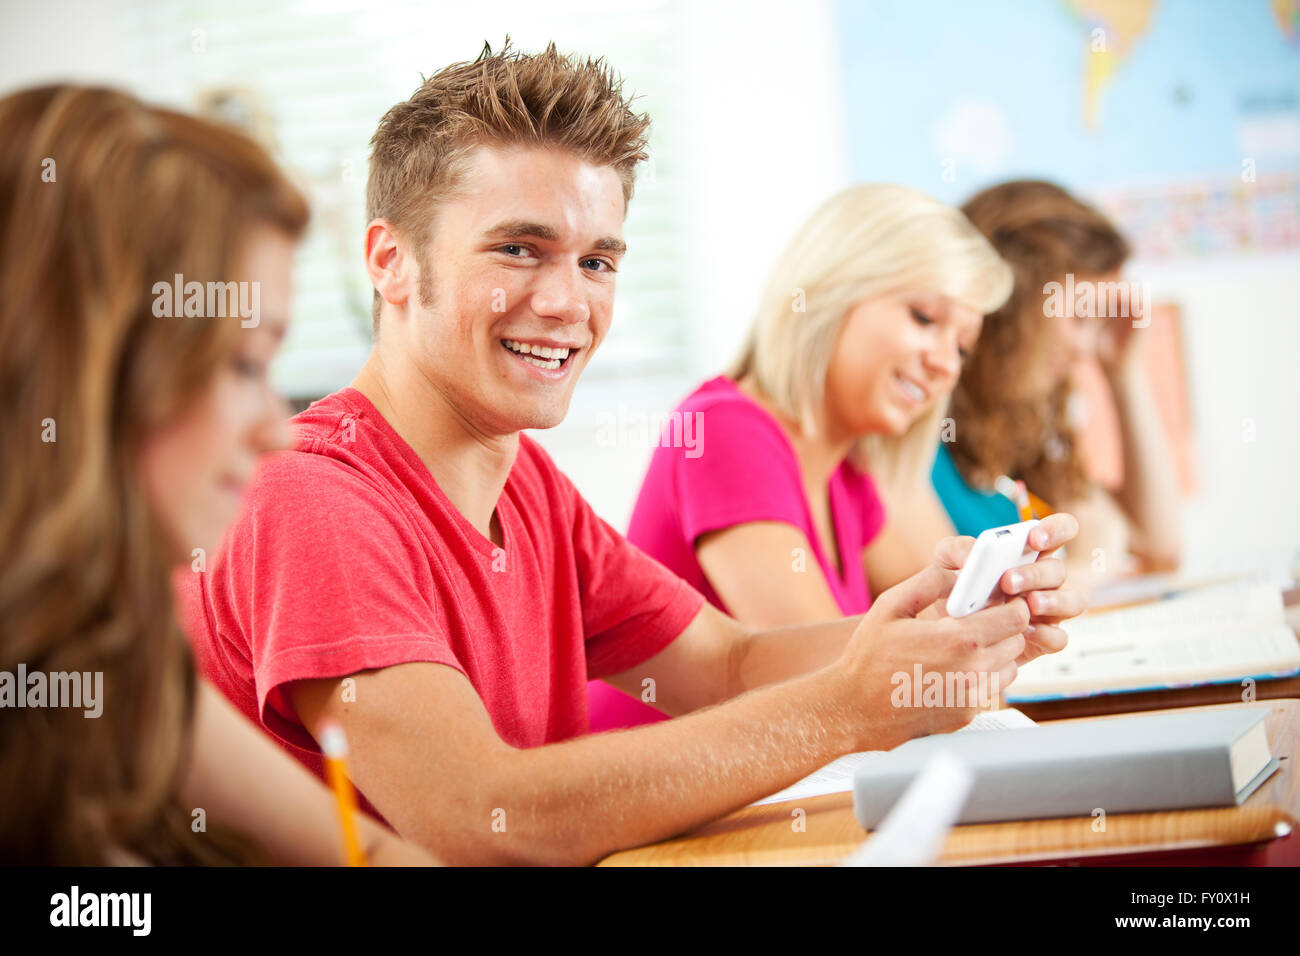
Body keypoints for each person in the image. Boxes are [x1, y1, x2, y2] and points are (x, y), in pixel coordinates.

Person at [180, 42, 1084, 866]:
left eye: (598, 262)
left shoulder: (525, 482)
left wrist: (944, 632)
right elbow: (479, 818)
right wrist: (850, 704)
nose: (569, 302)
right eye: (518, 249)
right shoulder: (313, 498)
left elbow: (726, 666)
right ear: (391, 262)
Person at [0, 84, 433, 865]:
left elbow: (358, 851)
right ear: (88, 367)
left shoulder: (105, 648)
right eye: (241, 364)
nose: (276, 428)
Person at [593, 184, 1014, 730]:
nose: (945, 365)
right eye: (924, 318)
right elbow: (836, 684)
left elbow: (944, 623)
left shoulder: (847, 476)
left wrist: (1008, 612)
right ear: (833, 291)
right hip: (660, 801)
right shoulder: (726, 430)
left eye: (961, 347)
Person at [918, 180, 1182, 593]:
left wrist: (1124, 374)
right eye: (1079, 318)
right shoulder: (920, 445)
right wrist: (1090, 568)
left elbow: (1160, 548)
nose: (1086, 347)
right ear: (1011, 310)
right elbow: (964, 615)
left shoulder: (1018, 434)